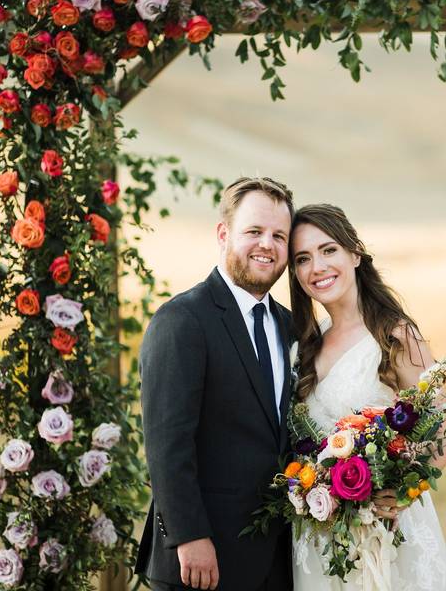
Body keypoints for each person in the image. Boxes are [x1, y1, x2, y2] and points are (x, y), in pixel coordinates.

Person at [288, 203, 446, 590]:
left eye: (328, 250)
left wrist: (404, 491)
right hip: (320, 533)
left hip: (387, 531)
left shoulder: (394, 335)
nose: (317, 267)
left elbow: (443, 427)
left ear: (355, 253)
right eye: (302, 258)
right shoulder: (305, 346)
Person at [135, 177, 295, 591]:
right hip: (201, 562)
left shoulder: (289, 327)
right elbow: (166, 443)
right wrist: (189, 536)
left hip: (275, 559)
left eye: (279, 235)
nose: (268, 245)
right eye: (254, 231)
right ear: (223, 234)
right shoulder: (182, 321)